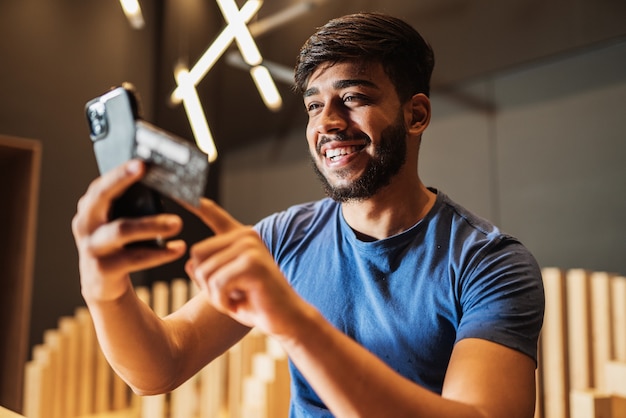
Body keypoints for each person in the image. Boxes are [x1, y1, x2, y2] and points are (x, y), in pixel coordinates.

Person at [72, 12, 544, 418]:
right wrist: (105, 289)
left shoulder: (491, 264)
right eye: (314, 105)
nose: (327, 123)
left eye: (354, 98)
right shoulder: (283, 238)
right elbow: (162, 366)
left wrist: (295, 321)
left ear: (415, 115)